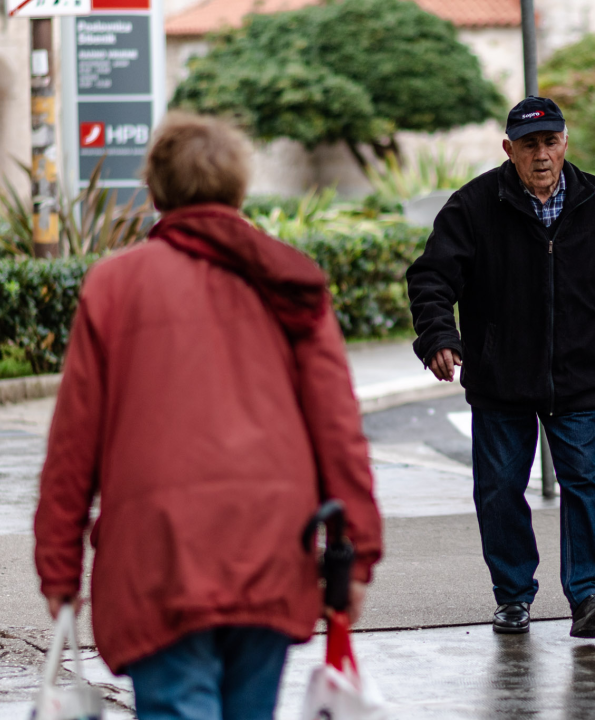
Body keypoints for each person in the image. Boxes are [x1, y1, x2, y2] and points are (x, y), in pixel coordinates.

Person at [33, 112, 382, 720]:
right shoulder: (289, 280)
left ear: (156, 188)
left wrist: (59, 568)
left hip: (159, 559)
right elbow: (338, 429)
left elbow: (72, 449)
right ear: (238, 188)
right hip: (273, 549)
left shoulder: (114, 286)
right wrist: (360, 550)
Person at [406, 97, 595, 638]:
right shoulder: (475, 205)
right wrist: (438, 336)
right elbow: (432, 277)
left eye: (550, 142)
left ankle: (591, 594)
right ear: (509, 150)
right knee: (500, 489)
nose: (542, 154)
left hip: (575, 375)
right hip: (501, 378)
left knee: (584, 482)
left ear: (565, 143)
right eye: (529, 145)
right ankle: (513, 596)